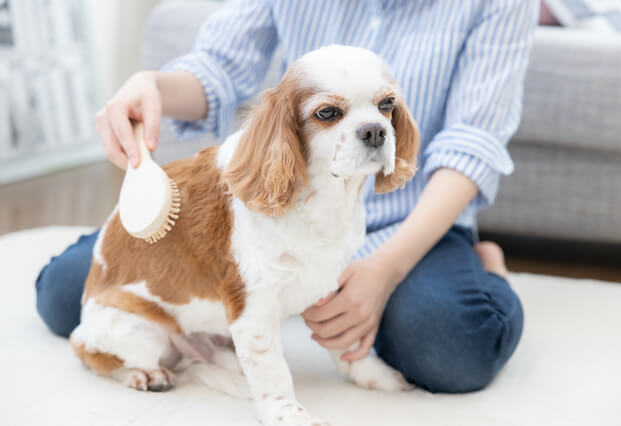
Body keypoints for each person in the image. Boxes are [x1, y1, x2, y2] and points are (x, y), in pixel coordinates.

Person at [35, 0, 538, 393]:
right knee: (66, 295)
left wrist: (385, 270)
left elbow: (473, 142)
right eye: (329, 113)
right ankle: (266, 310)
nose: (373, 124)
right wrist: (152, 87)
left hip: (410, 217)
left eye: (385, 108)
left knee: (453, 346)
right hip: (276, 208)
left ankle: (485, 264)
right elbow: (219, 67)